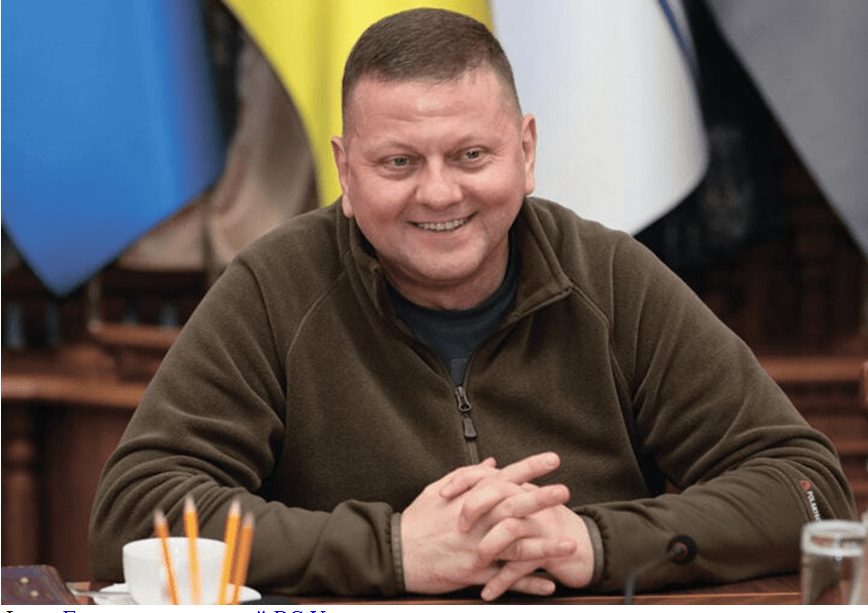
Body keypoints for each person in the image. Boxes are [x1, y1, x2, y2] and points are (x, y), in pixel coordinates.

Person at [89, 7, 855, 601]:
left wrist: (592, 541)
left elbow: (807, 485)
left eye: (471, 155)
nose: (439, 192)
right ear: (346, 173)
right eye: (398, 161)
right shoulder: (273, 286)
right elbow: (135, 512)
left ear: (525, 150)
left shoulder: (613, 277)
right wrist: (393, 551)